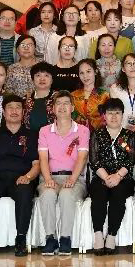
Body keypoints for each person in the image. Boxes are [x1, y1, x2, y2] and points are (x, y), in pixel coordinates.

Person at [0, 95, 40, 257]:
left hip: (21, 178)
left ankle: (21, 240)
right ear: (4, 113)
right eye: (10, 108)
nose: (14, 111)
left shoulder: (32, 135)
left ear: (23, 112)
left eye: (18, 107)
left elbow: (37, 164)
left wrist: (28, 177)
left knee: (25, 191)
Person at [37, 91, 90, 256]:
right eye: (58, 103)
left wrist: (72, 179)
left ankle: (65, 238)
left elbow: (82, 158)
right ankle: (50, 238)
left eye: (66, 103)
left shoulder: (82, 130)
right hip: (50, 176)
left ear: (72, 107)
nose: (62, 107)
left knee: (67, 194)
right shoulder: (45, 131)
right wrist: (47, 179)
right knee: (47, 194)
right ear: (53, 108)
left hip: (75, 178)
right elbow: (43, 158)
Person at [88, 98, 135, 255]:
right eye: (110, 113)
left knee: (118, 193)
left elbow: (130, 160)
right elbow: (94, 160)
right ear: (104, 115)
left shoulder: (129, 135)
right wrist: (107, 177)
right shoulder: (97, 134)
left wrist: (118, 176)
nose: (114, 117)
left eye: (117, 113)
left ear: (123, 115)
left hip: (123, 179)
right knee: (99, 194)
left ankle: (111, 235)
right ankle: (98, 234)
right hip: (101, 177)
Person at [71, 59, 108, 129]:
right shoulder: (73, 95)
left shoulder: (104, 95)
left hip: (99, 134)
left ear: (95, 72)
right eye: (81, 73)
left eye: (88, 71)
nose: (85, 76)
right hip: (77, 134)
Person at [24, 62, 55, 132]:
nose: (42, 79)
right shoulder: (26, 99)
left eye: (46, 75)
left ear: (52, 80)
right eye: (38, 75)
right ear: (32, 79)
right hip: (30, 136)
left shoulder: (58, 98)